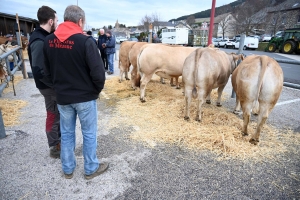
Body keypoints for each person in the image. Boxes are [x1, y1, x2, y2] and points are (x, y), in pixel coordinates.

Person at [43, 5, 108, 180]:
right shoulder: (85, 41)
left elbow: (46, 71)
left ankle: (68, 168)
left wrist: (57, 88)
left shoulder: (49, 41)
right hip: (85, 97)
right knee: (88, 133)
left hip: (63, 98)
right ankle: (90, 168)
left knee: (67, 133)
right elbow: (98, 73)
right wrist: (95, 91)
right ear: (80, 21)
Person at [28, 6, 61, 159]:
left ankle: (57, 143)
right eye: (56, 20)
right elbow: (38, 70)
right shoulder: (39, 41)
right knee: (53, 115)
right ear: (50, 21)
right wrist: (54, 85)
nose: (57, 23)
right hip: (48, 87)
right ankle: (54, 147)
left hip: (48, 85)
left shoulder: (43, 37)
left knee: (55, 114)